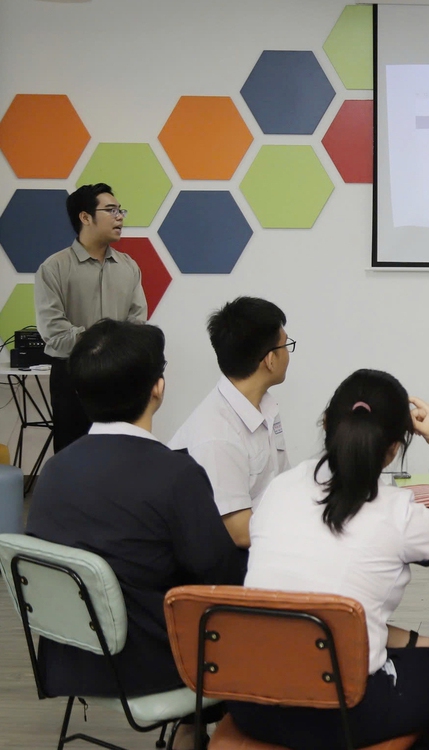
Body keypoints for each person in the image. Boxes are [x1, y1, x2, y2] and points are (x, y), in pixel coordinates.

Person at [227, 369, 429, 750]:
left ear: (325, 423)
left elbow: (322, 606)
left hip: (250, 702)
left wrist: (414, 641)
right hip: (337, 711)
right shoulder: (396, 512)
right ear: (394, 448)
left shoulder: (279, 490)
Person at [24, 320, 245, 748]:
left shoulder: (53, 471)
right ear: (157, 388)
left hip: (68, 659)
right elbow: (223, 577)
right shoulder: (175, 474)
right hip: (150, 666)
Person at [169, 297, 291, 548]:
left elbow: (284, 485)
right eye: (286, 345)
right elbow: (240, 533)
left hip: (267, 541)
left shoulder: (266, 407)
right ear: (270, 360)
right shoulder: (216, 434)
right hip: (232, 559)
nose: (288, 354)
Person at [34, 183, 147, 452]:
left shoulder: (129, 266)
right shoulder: (54, 268)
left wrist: (113, 347)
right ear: (85, 217)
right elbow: (54, 332)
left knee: (119, 453)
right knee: (73, 453)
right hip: (72, 375)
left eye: (120, 210)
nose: (120, 217)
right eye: (111, 210)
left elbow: (137, 322)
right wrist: (106, 341)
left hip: (119, 374)